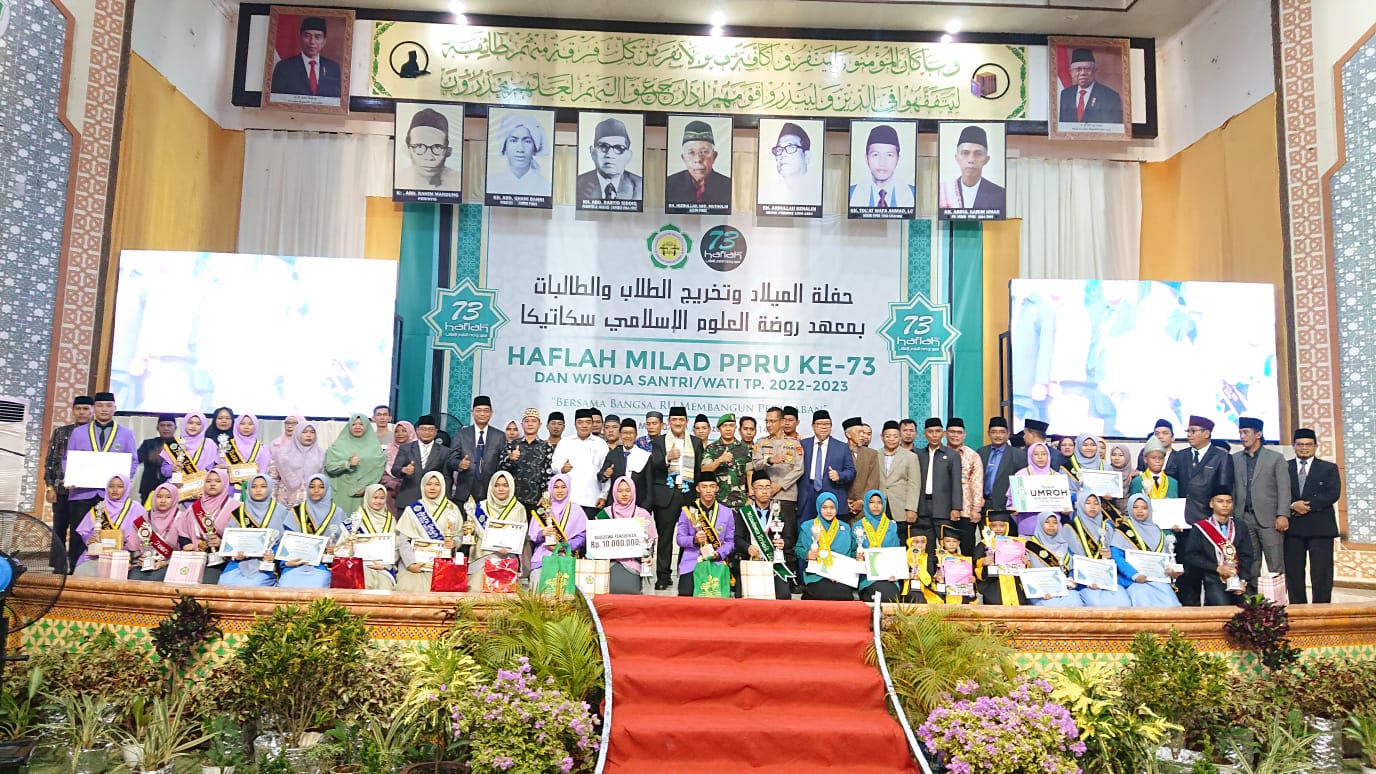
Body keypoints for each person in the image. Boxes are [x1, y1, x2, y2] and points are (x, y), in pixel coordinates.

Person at [61, 392, 138, 572]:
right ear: (94, 408)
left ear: (115, 409)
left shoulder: (126, 434)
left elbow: (133, 461)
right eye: (100, 405)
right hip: (81, 493)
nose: (104, 409)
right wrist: (70, 476)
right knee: (79, 535)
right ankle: (75, 572)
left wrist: (122, 483)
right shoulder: (79, 432)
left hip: (111, 496)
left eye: (108, 406)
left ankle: (110, 571)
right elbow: (68, 458)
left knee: (110, 532)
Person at [1165, 414, 1234, 606]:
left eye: (1193, 431)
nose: (1189, 434)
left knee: (1211, 575)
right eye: (1188, 431)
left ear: (1207, 433)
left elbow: (1224, 490)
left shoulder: (1221, 457)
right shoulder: (1181, 456)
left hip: (1208, 526)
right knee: (1187, 576)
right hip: (1183, 524)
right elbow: (1170, 485)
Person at [648, 406, 704, 590]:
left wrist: (698, 495)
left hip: (688, 496)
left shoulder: (695, 442)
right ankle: (663, 576)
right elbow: (653, 466)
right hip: (666, 495)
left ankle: (685, 574)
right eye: (674, 420)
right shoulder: (659, 441)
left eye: (681, 420)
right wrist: (667, 458)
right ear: (668, 422)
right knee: (665, 538)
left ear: (687, 422)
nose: (678, 423)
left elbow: (698, 470)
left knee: (688, 537)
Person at [1230, 416, 1289, 585]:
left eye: (1246, 432)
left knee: (1275, 563)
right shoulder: (1235, 459)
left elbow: (1284, 489)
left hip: (1269, 519)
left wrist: (1283, 514)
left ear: (1258, 434)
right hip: (1244, 517)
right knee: (1249, 562)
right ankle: (1251, 599)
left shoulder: (1275, 458)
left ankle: (1277, 599)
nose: (1242, 436)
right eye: (1240, 433)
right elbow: (1233, 489)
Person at [1286, 428, 1341, 604]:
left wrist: (1307, 506)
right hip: (1292, 527)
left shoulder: (1328, 468)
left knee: (1322, 572)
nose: (1304, 448)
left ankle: (1322, 609)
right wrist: (1293, 505)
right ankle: (1297, 608)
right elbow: (1276, 492)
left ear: (1316, 446)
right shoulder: (1284, 467)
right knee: (1293, 572)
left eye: (1308, 444)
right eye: (1300, 444)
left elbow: (1333, 493)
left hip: (1320, 527)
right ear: (1294, 446)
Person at [751, 407, 804, 586]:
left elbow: (799, 469)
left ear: (782, 422)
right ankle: (765, 577)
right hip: (764, 498)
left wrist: (780, 485)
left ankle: (789, 579)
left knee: (786, 537)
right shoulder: (760, 442)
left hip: (786, 496)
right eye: (767, 421)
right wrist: (770, 460)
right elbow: (756, 464)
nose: (769, 424)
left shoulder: (794, 444)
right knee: (764, 536)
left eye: (773, 421)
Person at [45, 395, 92, 570]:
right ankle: (58, 568)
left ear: (92, 411)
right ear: (73, 411)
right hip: (62, 490)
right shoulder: (61, 432)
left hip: (84, 492)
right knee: (59, 529)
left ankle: (76, 567)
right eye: (78, 408)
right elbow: (51, 461)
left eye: (86, 409)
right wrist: (50, 486)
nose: (82, 412)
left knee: (79, 531)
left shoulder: (96, 434)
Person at [1110, 494, 1182, 607]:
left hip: (1158, 580)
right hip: (1134, 581)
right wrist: (1134, 575)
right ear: (1129, 508)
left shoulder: (1158, 531)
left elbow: (1166, 557)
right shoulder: (1122, 531)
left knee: (1169, 602)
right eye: (1135, 507)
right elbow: (1116, 556)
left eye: (1144, 507)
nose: (1140, 511)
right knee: (1143, 602)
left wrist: (1171, 570)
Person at [1183, 493, 1255, 606]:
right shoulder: (1200, 528)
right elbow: (1191, 556)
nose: (1225, 505)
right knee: (1222, 606)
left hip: (1237, 576)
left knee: (1251, 607)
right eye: (1220, 501)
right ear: (1211, 504)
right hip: (1213, 576)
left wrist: (1243, 580)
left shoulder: (1240, 526)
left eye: (1229, 501)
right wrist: (1217, 568)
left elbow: (1247, 555)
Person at [396, 470, 462, 593]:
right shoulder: (413, 510)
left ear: (442, 486)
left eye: (437, 484)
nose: (432, 488)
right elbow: (403, 541)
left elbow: (459, 536)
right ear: (423, 486)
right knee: (408, 589)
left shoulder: (453, 509)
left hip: (442, 564)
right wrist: (411, 564)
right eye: (429, 484)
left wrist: (454, 543)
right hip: (414, 565)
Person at [672, 472, 735, 596]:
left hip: (716, 561)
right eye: (704, 487)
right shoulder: (688, 511)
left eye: (712, 486)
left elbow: (730, 542)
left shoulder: (727, 513)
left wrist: (719, 553)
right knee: (686, 593)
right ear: (697, 488)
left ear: (717, 489)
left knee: (718, 595)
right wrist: (694, 540)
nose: (708, 490)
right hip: (692, 561)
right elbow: (680, 539)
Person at [276, 475, 343, 589]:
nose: (316, 490)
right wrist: (286, 562)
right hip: (296, 564)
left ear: (327, 489)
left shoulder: (337, 513)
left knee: (318, 586)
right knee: (286, 587)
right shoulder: (296, 512)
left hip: (323, 565)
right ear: (307, 489)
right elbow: (286, 541)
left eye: (321, 487)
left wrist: (335, 549)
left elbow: (344, 543)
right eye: (312, 487)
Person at [1065, 493, 1132, 606]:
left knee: (1124, 603)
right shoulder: (1070, 528)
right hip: (1083, 580)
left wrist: (1110, 554)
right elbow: (1069, 557)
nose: (1092, 506)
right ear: (1080, 505)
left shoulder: (1107, 526)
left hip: (1107, 577)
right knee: (1096, 604)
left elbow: (1115, 551)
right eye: (1088, 503)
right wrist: (1085, 577)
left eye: (1096, 503)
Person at [733, 474, 792, 599]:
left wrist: (784, 543)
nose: (764, 491)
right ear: (752, 489)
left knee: (783, 595)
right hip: (751, 560)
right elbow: (737, 538)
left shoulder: (781, 512)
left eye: (767, 487)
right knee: (742, 595)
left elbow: (790, 538)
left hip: (775, 562)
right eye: (760, 487)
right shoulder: (744, 513)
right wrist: (747, 547)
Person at [72, 473, 143, 577]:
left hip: (125, 555)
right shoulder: (99, 508)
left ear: (127, 488)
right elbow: (85, 531)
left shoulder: (136, 508)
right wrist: (89, 540)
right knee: (83, 571)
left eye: (120, 487)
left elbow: (144, 534)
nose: (115, 490)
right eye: (111, 486)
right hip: (98, 554)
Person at [595, 475, 656, 594]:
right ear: (614, 492)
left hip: (632, 563)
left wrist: (648, 555)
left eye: (628, 491)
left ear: (633, 492)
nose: (624, 494)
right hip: (607, 564)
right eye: (620, 491)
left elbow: (651, 541)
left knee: (629, 591)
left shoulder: (642, 514)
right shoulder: (605, 514)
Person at [217, 474, 281, 587]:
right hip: (239, 563)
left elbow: (284, 542)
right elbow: (230, 543)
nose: (258, 490)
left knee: (253, 584)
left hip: (266, 563)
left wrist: (274, 555)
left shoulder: (281, 511)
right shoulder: (239, 513)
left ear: (270, 488)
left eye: (263, 486)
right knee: (224, 583)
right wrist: (234, 554)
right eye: (254, 486)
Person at [466, 471, 526, 590]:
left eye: (505, 485)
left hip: (507, 559)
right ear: (491, 487)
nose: (501, 489)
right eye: (497, 485)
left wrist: (508, 549)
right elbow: (473, 531)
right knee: (477, 596)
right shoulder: (479, 507)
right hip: (482, 558)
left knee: (504, 598)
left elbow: (522, 535)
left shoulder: (519, 508)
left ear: (511, 487)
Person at [176, 468, 236, 584]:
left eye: (217, 481)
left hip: (223, 560)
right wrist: (187, 544)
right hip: (194, 557)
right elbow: (182, 531)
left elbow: (239, 539)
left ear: (225, 483)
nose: (212, 484)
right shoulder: (194, 507)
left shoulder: (235, 507)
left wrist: (222, 543)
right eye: (208, 481)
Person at [333, 483, 398, 590]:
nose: (378, 501)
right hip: (360, 566)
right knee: (364, 585)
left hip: (383, 568)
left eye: (382, 498)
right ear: (367, 497)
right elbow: (339, 549)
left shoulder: (391, 520)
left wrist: (385, 565)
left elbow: (396, 548)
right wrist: (350, 550)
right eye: (375, 497)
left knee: (385, 589)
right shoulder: (356, 519)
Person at [529, 474, 588, 590]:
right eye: (556, 487)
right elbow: (532, 536)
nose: (560, 491)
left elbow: (582, 536)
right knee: (538, 590)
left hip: (567, 557)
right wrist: (542, 534)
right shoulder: (543, 510)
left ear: (568, 488)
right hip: (543, 558)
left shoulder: (576, 510)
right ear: (550, 489)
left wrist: (563, 546)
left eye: (563, 487)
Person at [799, 410, 856, 525]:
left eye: (827, 424)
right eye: (820, 424)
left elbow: (851, 471)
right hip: (808, 494)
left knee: (832, 531)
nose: (824, 427)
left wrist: (839, 475)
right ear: (813, 426)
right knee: (806, 529)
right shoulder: (803, 444)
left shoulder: (842, 447)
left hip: (832, 493)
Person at [795, 492, 855, 601]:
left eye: (832, 507)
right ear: (818, 507)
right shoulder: (808, 526)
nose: (828, 511)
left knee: (845, 596)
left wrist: (841, 574)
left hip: (840, 575)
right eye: (824, 507)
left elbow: (851, 553)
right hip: (816, 575)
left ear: (837, 508)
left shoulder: (845, 528)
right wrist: (806, 554)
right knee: (823, 594)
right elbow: (797, 549)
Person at [912, 418, 962, 549]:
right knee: (925, 546)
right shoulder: (918, 455)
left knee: (945, 546)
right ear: (924, 434)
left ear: (943, 434)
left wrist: (956, 508)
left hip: (944, 508)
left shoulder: (952, 455)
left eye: (938, 431)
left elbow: (956, 483)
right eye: (930, 432)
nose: (934, 435)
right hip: (922, 507)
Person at [390, 415, 457, 511]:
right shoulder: (406, 448)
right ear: (417, 430)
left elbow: (447, 478)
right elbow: (395, 469)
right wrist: (403, 470)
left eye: (430, 430)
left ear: (436, 432)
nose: (427, 432)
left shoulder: (445, 452)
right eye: (423, 429)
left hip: (434, 502)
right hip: (408, 500)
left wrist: (446, 500)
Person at [1006, 441, 1072, 538]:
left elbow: (1066, 503)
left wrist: (1067, 510)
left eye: (1043, 454)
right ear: (1030, 455)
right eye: (1036, 454)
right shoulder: (1021, 476)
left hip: (1052, 530)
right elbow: (1011, 501)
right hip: (1028, 529)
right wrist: (1012, 509)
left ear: (1048, 455)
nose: (1040, 457)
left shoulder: (1057, 477)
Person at [552, 408, 610, 517]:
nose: (584, 426)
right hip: (569, 499)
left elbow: (606, 472)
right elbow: (554, 466)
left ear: (592, 424)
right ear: (575, 425)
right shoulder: (565, 442)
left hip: (593, 500)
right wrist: (562, 469)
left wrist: (604, 495)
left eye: (588, 422)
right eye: (580, 422)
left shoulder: (601, 444)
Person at [322, 414, 385, 514]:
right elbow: (329, 467)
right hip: (342, 493)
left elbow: (378, 470)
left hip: (365, 494)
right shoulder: (338, 446)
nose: (357, 427)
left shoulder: (375, 448)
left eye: (361, 424)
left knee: (361, 521)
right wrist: (347, 464)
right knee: (340, 520)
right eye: (354, 424)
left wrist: (367, 487)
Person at [665, 119, 731, 209]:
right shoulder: (669, 184)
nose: (698, 159)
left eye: (704, 152)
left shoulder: (727, 185)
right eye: (691, 153)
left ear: (714, 156)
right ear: (683, 158)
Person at [938, 125, 1005, 213]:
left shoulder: (1000, 195)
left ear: (986, 159)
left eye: (978, 154)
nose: (971, 160)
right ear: (957, 158)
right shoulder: (943, 192)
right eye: (965, 153)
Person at [499, 408, 555, 516]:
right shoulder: (511, 445)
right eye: (527, 421)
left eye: (534, 421)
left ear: (540, 425)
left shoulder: (547, 447)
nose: (530, 424)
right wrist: (510, 458)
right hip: (513, 499)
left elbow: (550, 474)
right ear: (522, 424)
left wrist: (546, 495)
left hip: (537, 500)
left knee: (536, 527)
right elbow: (500, 470)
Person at [270, 17, 342, 98]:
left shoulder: (333, 68)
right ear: (300, 38)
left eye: (317, 37)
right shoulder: (284, 67)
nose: (312, 42)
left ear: (324, 41)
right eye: (307, 36)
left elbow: (336, 99)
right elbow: (276, 99)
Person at [848, 124, 916, 209]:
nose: (882, 163)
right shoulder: (851, 194)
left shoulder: (913, 194)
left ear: (898, 159)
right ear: (866, 158)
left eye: (889, 155)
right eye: (876, 155)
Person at [575, 118, 643, 202]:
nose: (610, 155)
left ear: (628, 156)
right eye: (603, 146)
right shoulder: (578, 184)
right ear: (592, 152)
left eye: (619, 148)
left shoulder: (640, 186)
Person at [1024, 513, 1084, 607]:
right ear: (1040, 524)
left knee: (1076, 603)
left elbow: (1072, 569)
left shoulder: (1064, 545)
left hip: (1065, 589)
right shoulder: (1030, 546)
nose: (1051, 525)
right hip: (1041, 592)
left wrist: (1071, 581)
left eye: (1055, 522)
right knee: (1051, 607)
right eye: (1047, 522)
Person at [453, 396, 504, 505]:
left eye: (486, 411)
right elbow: (450, 459)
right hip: (465, 492)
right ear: (472, 413)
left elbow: (502, 463)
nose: (482, 414)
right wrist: (459, 464)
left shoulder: (499, 436)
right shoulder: (462, 434)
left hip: (491, 492)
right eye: (479, 410)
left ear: (491, 413)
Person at [944, 418, 985, 553]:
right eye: (952, 432)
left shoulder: (972, 455)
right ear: (945, 433)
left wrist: (976, 509)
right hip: (943, 510)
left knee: (967, 548)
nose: (955, 435)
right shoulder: (940, 453)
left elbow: (977, 483)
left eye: (959, 432)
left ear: (964, 435)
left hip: (966, 510)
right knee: (944, 548)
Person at [487, 111, 551, 196]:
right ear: (504, 147)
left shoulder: (545, 187)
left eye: (527, 141)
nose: (520, 149)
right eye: (513, 141)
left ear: (535, 147)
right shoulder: (491, 184)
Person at [127, 481, 180, 581]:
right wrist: (139, 559)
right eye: (159, 497)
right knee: (133, 580)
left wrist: (165, 563)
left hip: (170, 565)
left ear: (174, 499)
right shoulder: (142, 520)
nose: (163, 500)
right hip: (142, 565)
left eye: (168, 497)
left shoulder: (181, 518)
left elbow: (185, 551)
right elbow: (133, 549)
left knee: (156, 580)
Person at [396, 109, 461, 190]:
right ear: (407, 150)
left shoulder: (458, 182)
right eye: (419, 146)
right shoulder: (396, 180)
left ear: (448, 152)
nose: (429, 157)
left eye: (437, 147)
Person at [877, 420, 920, 543]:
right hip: (880, 505)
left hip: (900, 507)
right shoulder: (875, 455)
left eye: (895, 436)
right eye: (888, 436)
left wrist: (911, 508)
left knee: (901, 541)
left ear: (900, 437)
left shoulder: (910, 457)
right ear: (882, 437)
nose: (891, 439)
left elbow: (914, 484)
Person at [856, 489, 902, 602]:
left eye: (879, 502)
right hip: (867, 576)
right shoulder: (858, 526)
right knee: (880, 595)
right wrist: (857, 557)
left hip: (889, 576)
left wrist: (896, 573)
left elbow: (897, 553)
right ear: (866, 504)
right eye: (872, 502)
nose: (876, 506)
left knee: (892, 597)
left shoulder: (892, 526)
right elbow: (852, 551)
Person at [972, 512, 1028, 606]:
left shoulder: (1015, 543)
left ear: (1007, 526)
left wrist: (1025, 563)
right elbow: (975, 564)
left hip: (1014, 584)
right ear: (989, 527)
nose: (998, 529)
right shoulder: (984, 544)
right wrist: (982, 562)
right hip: (994, 586)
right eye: (994, 526)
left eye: (1002, 526)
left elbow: (1024, 567)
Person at [1058, 48, 1124, 124]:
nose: (1083, 73)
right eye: (1078, 69)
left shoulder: (1111, 96)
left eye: (1087, 69)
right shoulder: (1066, 94)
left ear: (1094, 70)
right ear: (1071, 72)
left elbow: (1114, 127)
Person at [978, 416, 1024, 526]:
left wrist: (1018, 505)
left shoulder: (1018, 455)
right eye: (994, 432)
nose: (998, 435)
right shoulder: (981, 453)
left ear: (1008, 434)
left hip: (1006, 506)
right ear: (988, 433)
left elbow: (1021, 483)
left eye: (1002, 432)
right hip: (984, 505)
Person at [269, 419, 324, 507]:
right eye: (304, 432)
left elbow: (324, 481)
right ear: (297, 433)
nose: (309, 435)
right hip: (285, 500)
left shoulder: (321, 454)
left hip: (312, 501)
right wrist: (271, 503)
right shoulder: (282, 454)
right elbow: (273, 479)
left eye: (312, 432)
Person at [758, 122, 816, 205]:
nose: (783, 154)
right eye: (779, 149)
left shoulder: (816, 192)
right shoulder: (766, 195)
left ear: (807, 156)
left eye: (790, 147)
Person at [702, 413, 751, 509]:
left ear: (735, 428)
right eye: (725, 426)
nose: (728, 429)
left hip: (740, 502)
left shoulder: (744, 448)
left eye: (731, 426)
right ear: (718, 429)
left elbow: (749, 473)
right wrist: (720, 460)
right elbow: (704, 470)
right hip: (718, 502)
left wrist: (751, 496)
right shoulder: (711, 448)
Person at [601, 418, 650, 509]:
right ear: (620, 434)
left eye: (631, 433)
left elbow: (649, 485)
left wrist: (646, 507)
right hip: (615, 504)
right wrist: (605, 474)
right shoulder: (612, 454)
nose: (628, 436)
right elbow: (600, 476)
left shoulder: (645, 456)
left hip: (638, 505)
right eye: (624, 433)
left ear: (636, 435)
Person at [844, 417, 882, 520]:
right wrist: (844, 500)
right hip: (844, 506)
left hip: (865, 507)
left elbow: (873, 481)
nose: (863, 436)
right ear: (848, 435)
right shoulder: (839, 451)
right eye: (859, 432)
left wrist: (862, 501)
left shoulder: (871, 454)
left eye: (864, 433)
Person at [136, 414, 177, 501]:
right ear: (157, 428)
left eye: (169, 425)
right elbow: (135, 460)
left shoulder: (180, 445)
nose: (166, 428)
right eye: (162, 425)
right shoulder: (148, 444)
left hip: (172, 489)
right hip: (149, 489)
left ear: (175, 428)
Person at [933, 524, 977, 604]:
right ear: (942, 542)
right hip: (943, 594)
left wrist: (973, 580)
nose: (951, 544)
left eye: (954, 541)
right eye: (948, 541)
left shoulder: (965, 561)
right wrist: (936, 578)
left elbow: (972, 579)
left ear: (958, 543)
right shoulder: (937, 558)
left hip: (962, 594)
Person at [381, 420, 416, 515]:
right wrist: (392, 483)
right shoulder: (388, 450)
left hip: (411, 493)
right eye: (396, 431)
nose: (400, 434)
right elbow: (382, 473)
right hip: (390, 493)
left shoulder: (417, 450)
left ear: (410, 432)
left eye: (404, 431)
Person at [226, 413, 271, 484]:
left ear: (255, 426)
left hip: (254, 487)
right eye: (242, 424)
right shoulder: (227, 447)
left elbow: (263, 471)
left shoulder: (262, 449)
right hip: (230, 487)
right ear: (237, 425)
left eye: (250, 424)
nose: (246, 427)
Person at [901, 533, 941, 604]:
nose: (920, 545)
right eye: (916, 542)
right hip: (907, 590)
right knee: (919, 598)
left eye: (923, 542)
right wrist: (907, 575)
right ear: (910, 542)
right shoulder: (903, 557)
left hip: (925, 589)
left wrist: (918, 571)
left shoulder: (929, 558)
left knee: (938, 600)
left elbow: (929, 579)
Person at [1107, 444, 1138, 514]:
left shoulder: (1134, 474)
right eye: (1114, 455)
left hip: (1130, 512)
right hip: (1109, 512)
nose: (1116, 458)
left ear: (1127, 457)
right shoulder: (1106, 472)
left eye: (1121, 455)